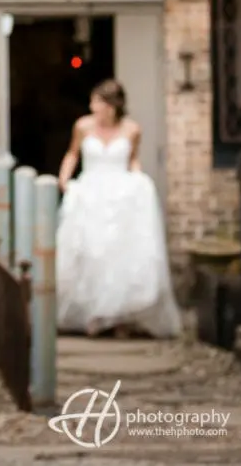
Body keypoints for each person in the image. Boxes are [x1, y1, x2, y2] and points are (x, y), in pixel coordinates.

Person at [54, 79, 183, 339]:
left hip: (120, 193)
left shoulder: (132, 130)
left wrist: (140, 183)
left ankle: (119, 317)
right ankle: (92, 314)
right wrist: (64, 179)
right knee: (91, 253)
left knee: (119, 256)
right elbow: (73, 154)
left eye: (97, 102)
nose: (92, 106)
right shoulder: (83, 126)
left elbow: (132, 159)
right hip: (91, 192)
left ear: (111, 106)